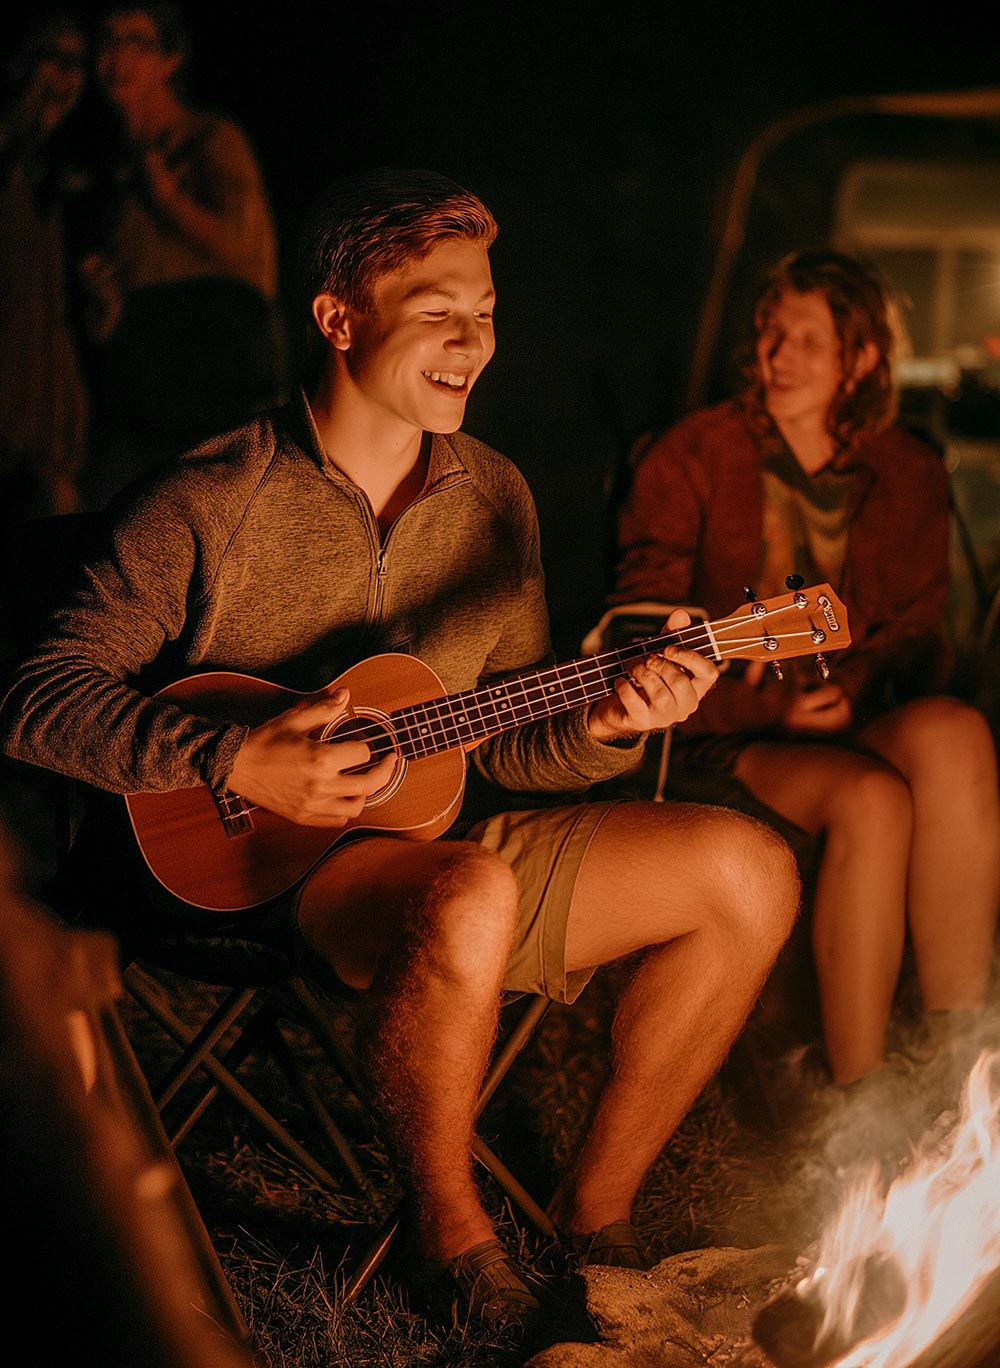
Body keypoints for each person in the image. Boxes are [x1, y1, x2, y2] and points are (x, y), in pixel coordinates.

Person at [0, 168, 799, 1333]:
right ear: (339, 319)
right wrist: (234, 760)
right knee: (469, 887)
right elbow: (34, 697)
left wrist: (603, 723)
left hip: (427, 842)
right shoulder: (205, 501)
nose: (473, 343)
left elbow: (505, 743)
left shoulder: (495, 499)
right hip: (247, 877)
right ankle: (449, 1238)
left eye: (484, 314)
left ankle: (598, 1222)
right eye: (439, 312)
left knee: (748, 867)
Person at [613, 248, 1000, 1097]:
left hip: (851, 715)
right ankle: (856, 1096)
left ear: (859, 359)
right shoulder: (695, 452)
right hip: (721, 731)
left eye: (807, 342)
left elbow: (915, 634)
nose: (777, 358)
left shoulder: (906, 470)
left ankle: (958, 1058)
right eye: (769, 335)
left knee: (955, 732)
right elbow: (642, 621)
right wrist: (772, 702)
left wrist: (850, 691)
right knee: (871, 798)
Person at [78, 2, 286, 508]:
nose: (118, 56)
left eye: (137, 42)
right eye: (109, 40)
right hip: (136, 367)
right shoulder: (106, 165)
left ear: (170, 60)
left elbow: (250, 256)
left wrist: (168, 198)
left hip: (209, 362)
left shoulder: (210, 139)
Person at [0, 12, 91, 532]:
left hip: (43, 426)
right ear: (18, 65)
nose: (68, 78)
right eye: (54, 59)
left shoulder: (58, 184)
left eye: (77, 66)